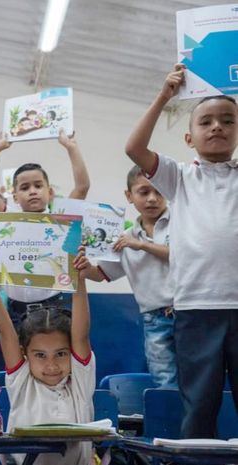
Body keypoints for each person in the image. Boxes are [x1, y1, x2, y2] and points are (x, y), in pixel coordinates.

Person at [124, 63, 238, 438]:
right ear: (189, 139)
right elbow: (134, 148)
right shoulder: (180, 178)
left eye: (227, 120)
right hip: (195, 308)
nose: (217, 127)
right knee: (200, 405)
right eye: (205, 122)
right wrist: (165, 96)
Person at [0, 250, 94, 465]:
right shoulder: (22, 382)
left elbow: (81, 334)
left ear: (72, 353)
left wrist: (79, 279)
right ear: (25, 355)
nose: (51, 365)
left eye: (61, 354)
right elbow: (6, 331)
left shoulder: (79, 382)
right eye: (40, 355)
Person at [0, 130, 90, 325]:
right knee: (15, 356)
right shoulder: (8, 220)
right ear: (14, 197)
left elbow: (82, 187)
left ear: (50, 191)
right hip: (15, 311)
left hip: (55, 307)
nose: (32, 191)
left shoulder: (61, 219)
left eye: (38, 186)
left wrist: (71, 147)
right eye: (24, 188)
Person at [80, 166, 176, 388]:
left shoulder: (182, 222)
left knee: (199, 379)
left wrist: (141, 244)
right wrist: (84, 267)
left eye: (159, 191)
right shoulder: (123, 238)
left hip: (191, 313)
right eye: (143, 192)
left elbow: (182, 256)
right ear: (129, 196)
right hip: (154, 318)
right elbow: (101, 273)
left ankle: (199, 424)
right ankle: (171, 423)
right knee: (165, 379)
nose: (152, 198)